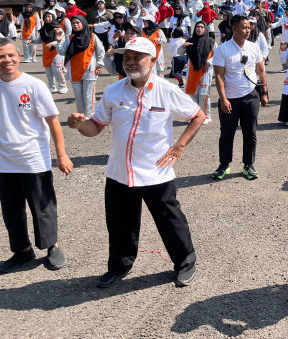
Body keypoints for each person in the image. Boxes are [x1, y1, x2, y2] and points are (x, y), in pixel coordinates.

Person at [67, 37, 205, 288]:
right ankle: (120, 265)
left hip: (156, 172)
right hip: (120, 171)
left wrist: (179, 146)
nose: (130, 62)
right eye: (126, 57)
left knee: (171, 221)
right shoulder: (113, 91)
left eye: (136, 57)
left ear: (152, 61)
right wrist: (79, 125)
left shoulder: (167, 90)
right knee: (120, 224)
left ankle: (185, 262)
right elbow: (95, 127)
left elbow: (198, 115)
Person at [0, 38, 72, 273]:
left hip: (33, 158)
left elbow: (53, 121)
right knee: (11, 211)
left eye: (11, 55)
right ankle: (22, 251)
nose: (7, 60)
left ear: (19, 57)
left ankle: (52, 246)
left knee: (43, 207)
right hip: (4, 160)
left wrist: (61, 155)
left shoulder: (34, 85)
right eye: (2, 56)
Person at [212, 15, 268, 180]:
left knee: (250, 132)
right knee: (227, 133)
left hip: (251, 96)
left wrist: (264, 92)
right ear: (234, 28)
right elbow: (219, 76)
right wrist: (223, 99)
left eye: (249, 27)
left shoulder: (254, 47)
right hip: (230, 98)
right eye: (244, 27)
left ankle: (248, 165)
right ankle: (224, 165)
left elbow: (260, 71)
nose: (248, 30)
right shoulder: (223, 49)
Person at [55, 16, 105, 118]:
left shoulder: (92, 36)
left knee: (88, 96)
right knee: (78, 97)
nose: (75, 25)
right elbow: (61, 51)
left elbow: (101, 51)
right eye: (73, 23)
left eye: (78, 22)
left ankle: (89, 117)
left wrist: (99, 65)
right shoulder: (69, 38)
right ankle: (81, 117)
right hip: (74, 71)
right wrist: (59, 41)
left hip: (89, 70)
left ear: (83, 23)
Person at [182, 21, 216, 124]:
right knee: (192, 94)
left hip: (205, 72)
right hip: (192, 72)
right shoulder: (190, 41)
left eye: (202, 27)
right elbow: (179, 53)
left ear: (205, 29)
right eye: (197, 27)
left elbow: (218, 55)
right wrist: (183, 46)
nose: (199, 29)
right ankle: (196, 116)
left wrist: (209, 63)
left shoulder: (211, 41)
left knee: (204, 95)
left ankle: (206, 116)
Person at [37, 10, 67, 94]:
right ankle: (52, 87)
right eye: (46, 17)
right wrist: (32, 41)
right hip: (46, 53)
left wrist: (52, 43)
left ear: (53, 17)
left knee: (57, 70)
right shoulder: (43, 29)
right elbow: (40, 40)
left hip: (57, 52)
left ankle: (63, 86)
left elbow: (62, 40)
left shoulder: (58, 29)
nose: (47, 18)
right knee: (49, 72)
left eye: (49, 16)